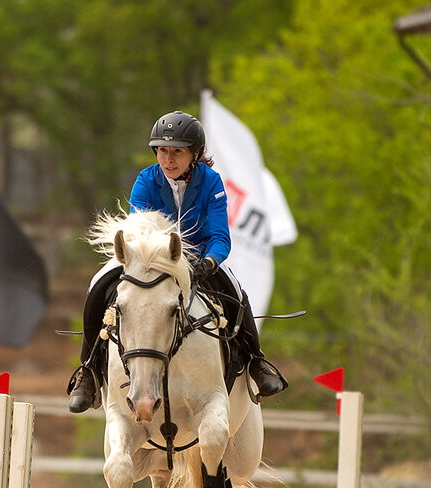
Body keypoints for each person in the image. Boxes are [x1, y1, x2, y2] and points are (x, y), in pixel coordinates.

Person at [67, 110, 287, 412]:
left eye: (176, 152)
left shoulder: (211, 182)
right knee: (98, 284)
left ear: (194, 154)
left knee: (236, 289)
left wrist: (208, 263)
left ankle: (256, 361)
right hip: (152, 259)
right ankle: (88, 371)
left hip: (198, 259)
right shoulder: (146, 180)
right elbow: (139, 230)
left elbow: (221, 237)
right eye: (162, 151)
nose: (168, 160)